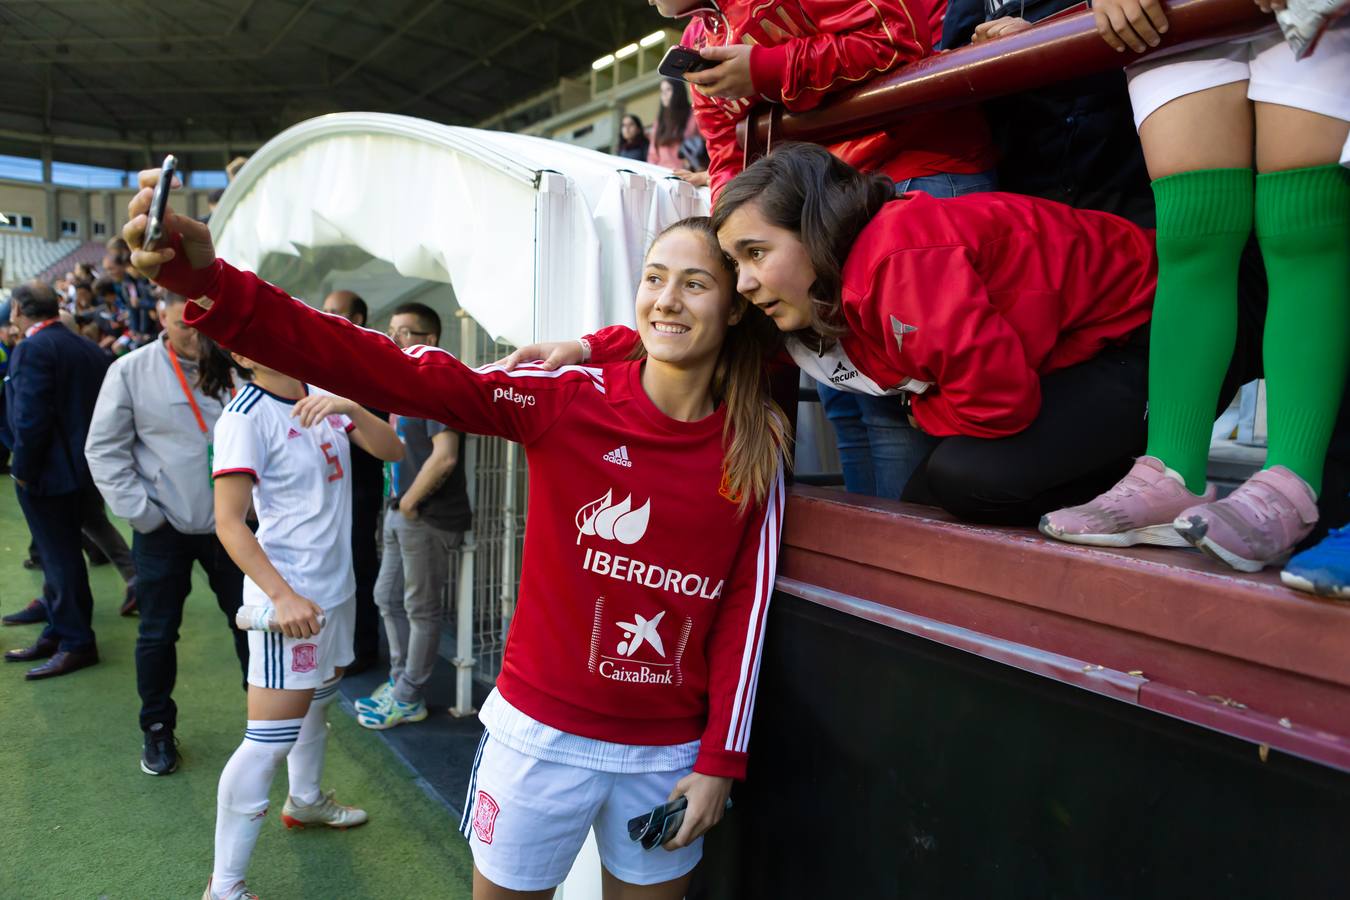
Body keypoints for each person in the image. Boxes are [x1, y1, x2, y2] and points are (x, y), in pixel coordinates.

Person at [125, 168, 787, 898]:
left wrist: (720, 760)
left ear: (734, 309)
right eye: (655, 277)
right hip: (540, 742)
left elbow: (741, 616)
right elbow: (396, 370)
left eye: (695, 284)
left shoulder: (753, 444)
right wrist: (216, 285)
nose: (667, 298)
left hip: (666, 756)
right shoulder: (566, 399)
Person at [522, 143, 1169, 525]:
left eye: (754, 253)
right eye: (735, 264)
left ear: (815, 229)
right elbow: (699, 324)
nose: (743, 283)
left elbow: (1000, 402)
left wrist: (920, 406)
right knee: (936, 489)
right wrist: (583, 349)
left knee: (959, 479)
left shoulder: (893, 260)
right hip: (1077, 355)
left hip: (1157, 334)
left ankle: (1126, 487)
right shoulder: (802, 289)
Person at [1040, 9, 1350, 571]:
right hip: (1170, 10)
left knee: (1303, 231)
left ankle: (1292, 482)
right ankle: (1170, 472)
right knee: (1189, 238)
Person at [655, 0, 1001, 498]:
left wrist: (763, 69)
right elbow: (729, 155)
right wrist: (731, 244)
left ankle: (901, 566)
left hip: (916, 175)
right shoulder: (697, 41)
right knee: (847, 398)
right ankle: (876, 563)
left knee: (891, 403)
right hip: (825, 216)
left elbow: (896, 38)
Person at [85, 293, 252, 776]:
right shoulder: (131, 370)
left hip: (234, 525)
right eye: (184, 325)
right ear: (162, 318)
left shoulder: (236, 366)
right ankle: (157, 728)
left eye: (204, 326)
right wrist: (144, 515)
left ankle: (264, 725)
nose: (196, 336)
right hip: (164, 528)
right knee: (157, 634)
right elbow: (103, 450)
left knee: (248, 624)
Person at [354, 302, 472, 730]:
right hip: (401, 512)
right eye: (392, 331)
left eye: (406, 332)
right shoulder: (400, 387)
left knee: (420, 609)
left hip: (427, 516)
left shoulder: (438, 386)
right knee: (386, 598)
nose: (395, 339)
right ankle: (401, 681)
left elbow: (444, 457)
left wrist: (408, 503)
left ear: (431, 340)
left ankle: (408, 696)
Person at [1, 281, 109, 679]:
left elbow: (31, 420)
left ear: (17, 309)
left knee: (60, 560)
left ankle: (75, 641)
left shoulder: (33, 348)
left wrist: (23, 470)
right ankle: (57, 631)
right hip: (82, 471)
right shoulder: (85, 347)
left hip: (48, 475)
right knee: (61, 559)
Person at [321, 288, 386, 674]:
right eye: (324, 309)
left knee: (360, 565)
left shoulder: (371, 361)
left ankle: (364, 649)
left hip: (361, 482)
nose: (326, 315)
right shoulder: (321, 358)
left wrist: (344, 414)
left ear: (358, 318)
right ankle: (336, 644)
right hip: (327, 486)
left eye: (335, 311)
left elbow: (380, 428)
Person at [648, 78, 701, 170]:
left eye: (668, 89)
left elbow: (704, 144)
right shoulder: (659, 120)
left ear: (678, 91)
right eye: (662, 91)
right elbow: (652, 154)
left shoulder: (693, 115)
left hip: (687, 175)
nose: (664, 94)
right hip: (662, 174)